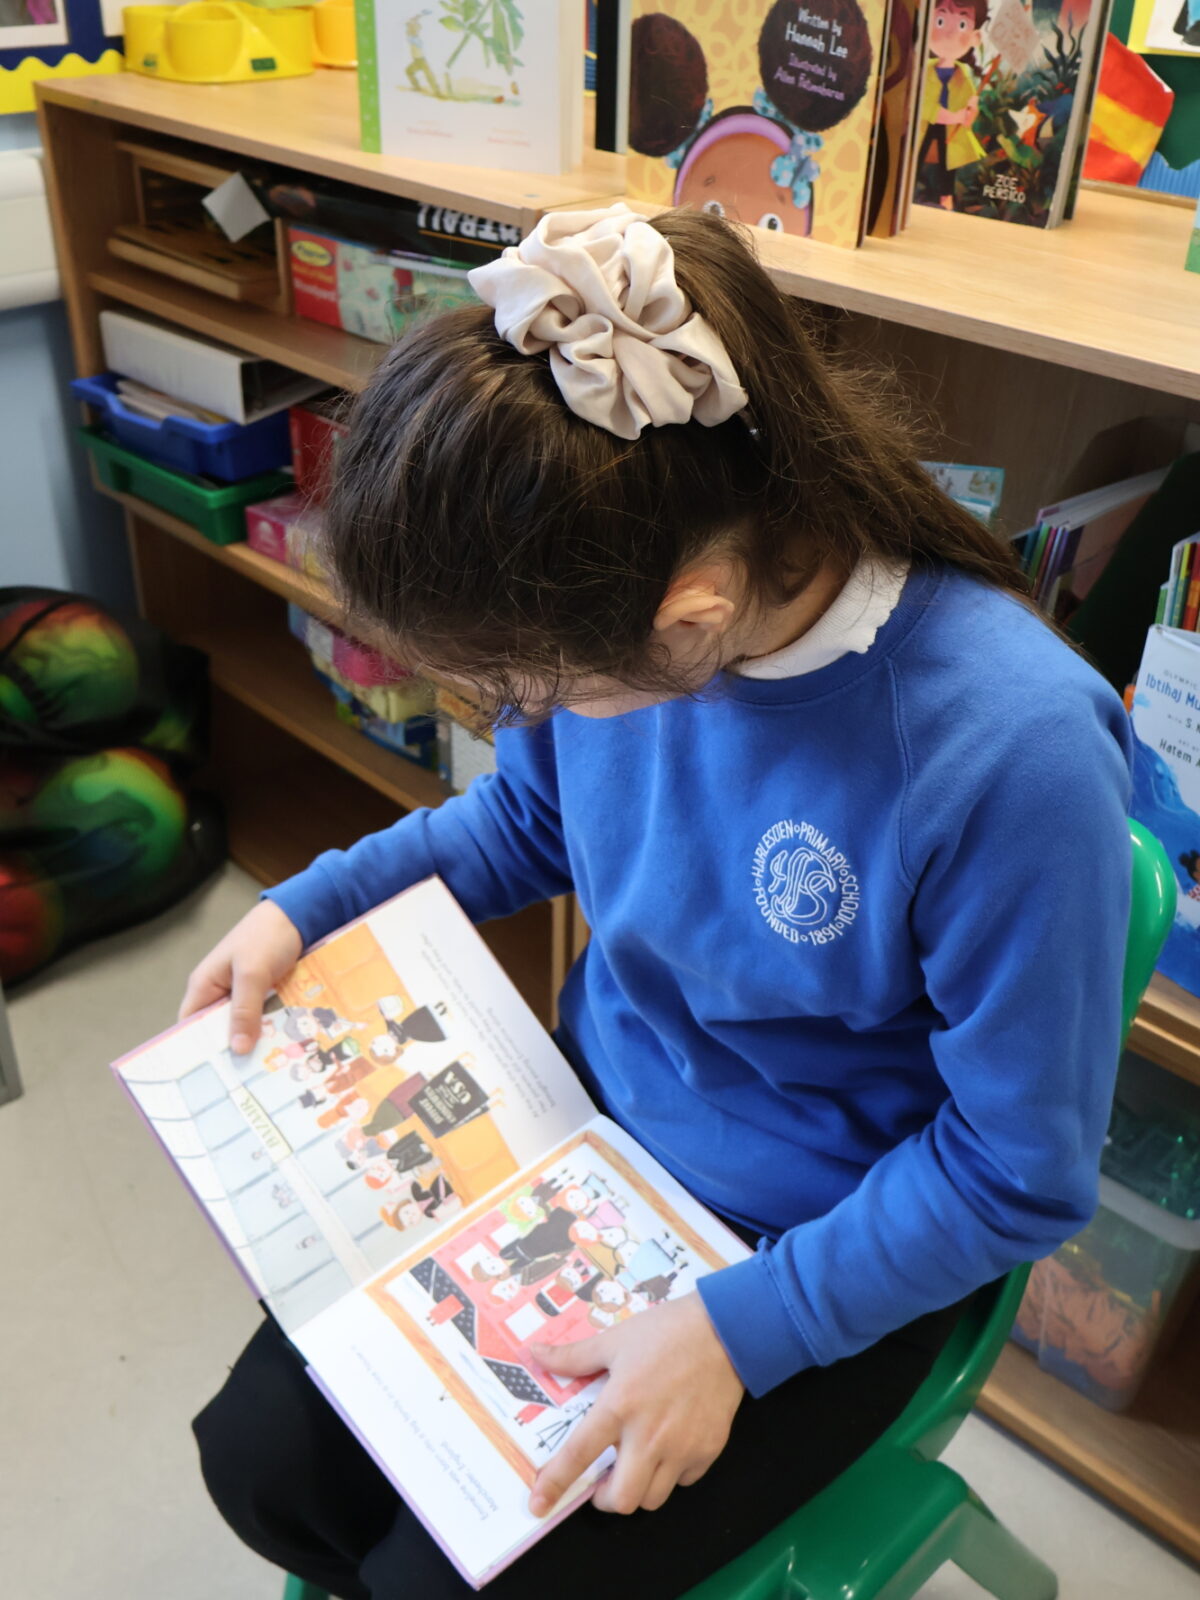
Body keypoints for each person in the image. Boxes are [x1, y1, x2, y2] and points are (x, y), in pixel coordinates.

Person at [183, 204, 1132, 1600]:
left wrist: (738, 1333)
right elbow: (532, 820)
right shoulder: (637, 578)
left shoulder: (1009, 752)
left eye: (531, 688)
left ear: (688, 623)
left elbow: (1015, 1172)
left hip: (825, 1251)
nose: (521, 715)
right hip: (595, 1143)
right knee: (261, 1462)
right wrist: (308, 907)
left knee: (442, 1581)